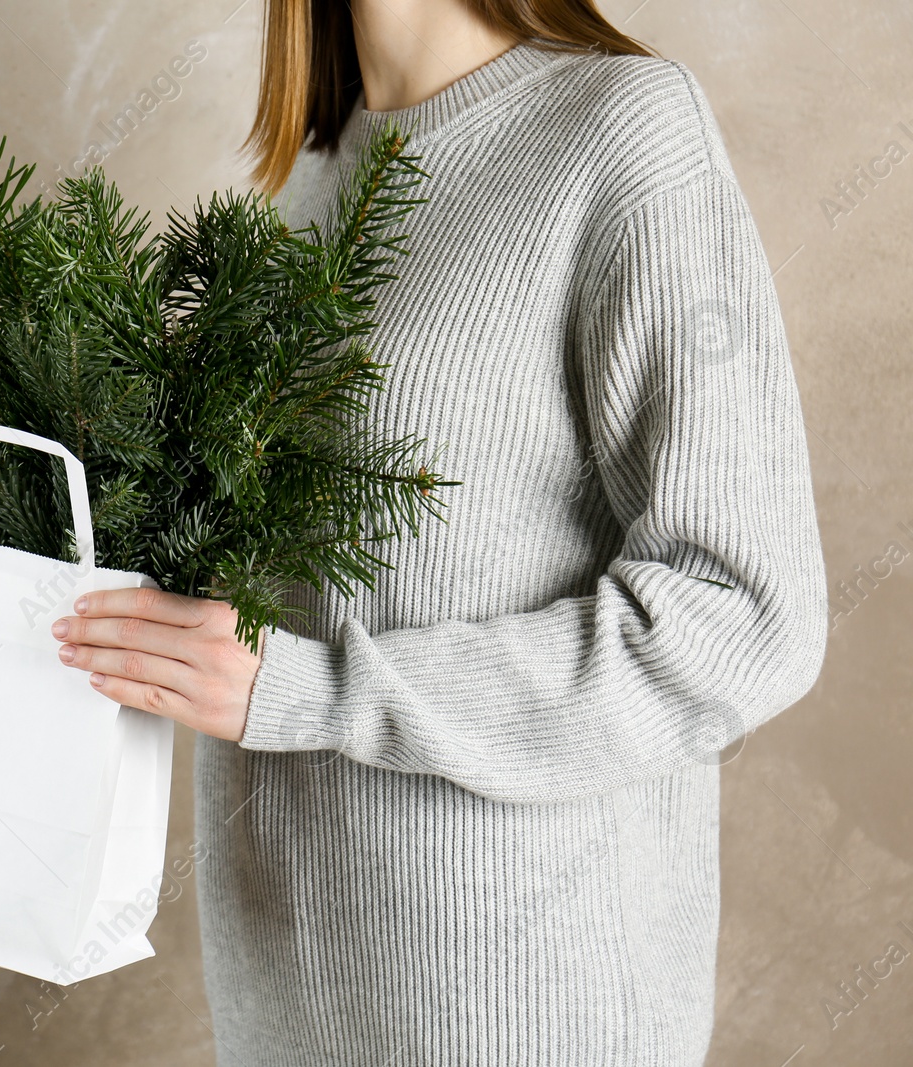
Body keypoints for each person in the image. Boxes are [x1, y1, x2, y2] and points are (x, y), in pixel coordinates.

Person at [50, 0, 828, 1062]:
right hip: (284, 998)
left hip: (514, 1006)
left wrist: (313, 688)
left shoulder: (620, 131)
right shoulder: (303, 182)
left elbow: (743, 615)